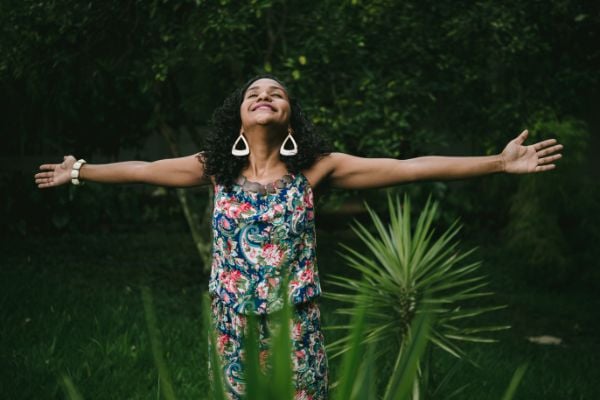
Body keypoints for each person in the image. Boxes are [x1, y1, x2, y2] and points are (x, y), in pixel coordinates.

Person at [34, 75, 563, 399]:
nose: (264, 96)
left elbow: (410, 166)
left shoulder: (319, 169)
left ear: (288, 116)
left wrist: (497, 162)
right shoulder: (215, 169)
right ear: (239, 115)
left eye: (276, 93)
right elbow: (143, 169)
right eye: (253, 93)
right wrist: (80, 170)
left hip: (297, 327)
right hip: (231, 327)